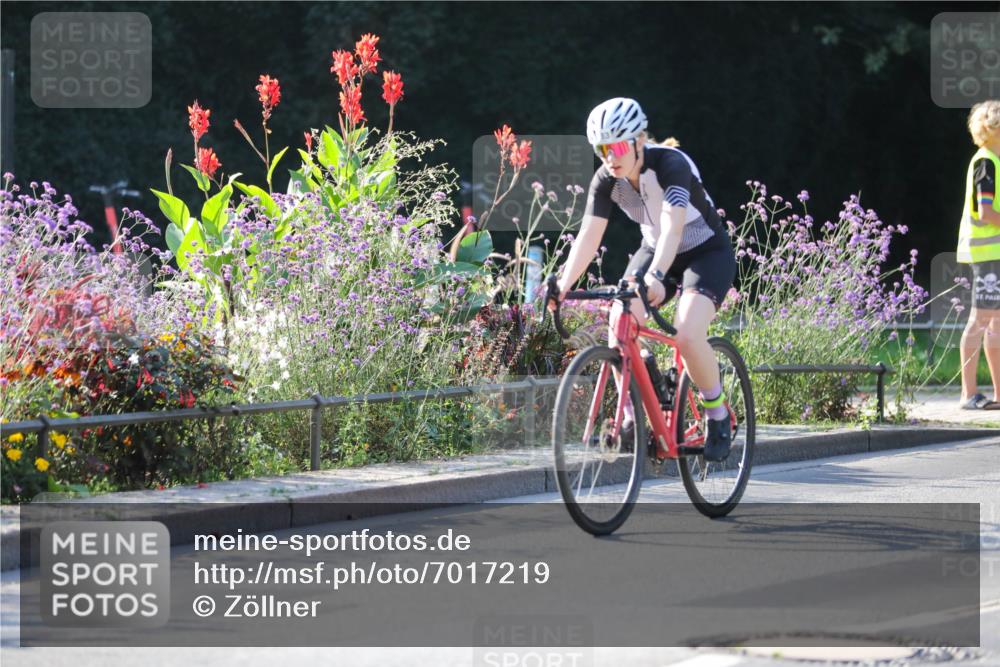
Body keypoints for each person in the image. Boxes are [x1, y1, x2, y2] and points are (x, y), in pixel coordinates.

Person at [547, 97, 737, 460]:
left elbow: (672, 227)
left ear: (638, 140)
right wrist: (564, 284)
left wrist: (657, 276)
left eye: (617, 147)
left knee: (686, 332)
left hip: (704, 251)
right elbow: (589, 234)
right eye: (602, 149)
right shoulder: (607, 179)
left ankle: (717, 414)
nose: (610, 157)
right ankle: (633, 418)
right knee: (620, 318)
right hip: (655, 248)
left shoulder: (670, 165)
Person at [957, 100, 1000, 410]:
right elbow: (986, 212)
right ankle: (968, 395)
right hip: (988, 254)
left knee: (996, 324)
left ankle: (997, 396)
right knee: (981, 320)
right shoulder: (986, 162)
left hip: (993, 253)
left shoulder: (992, 161)